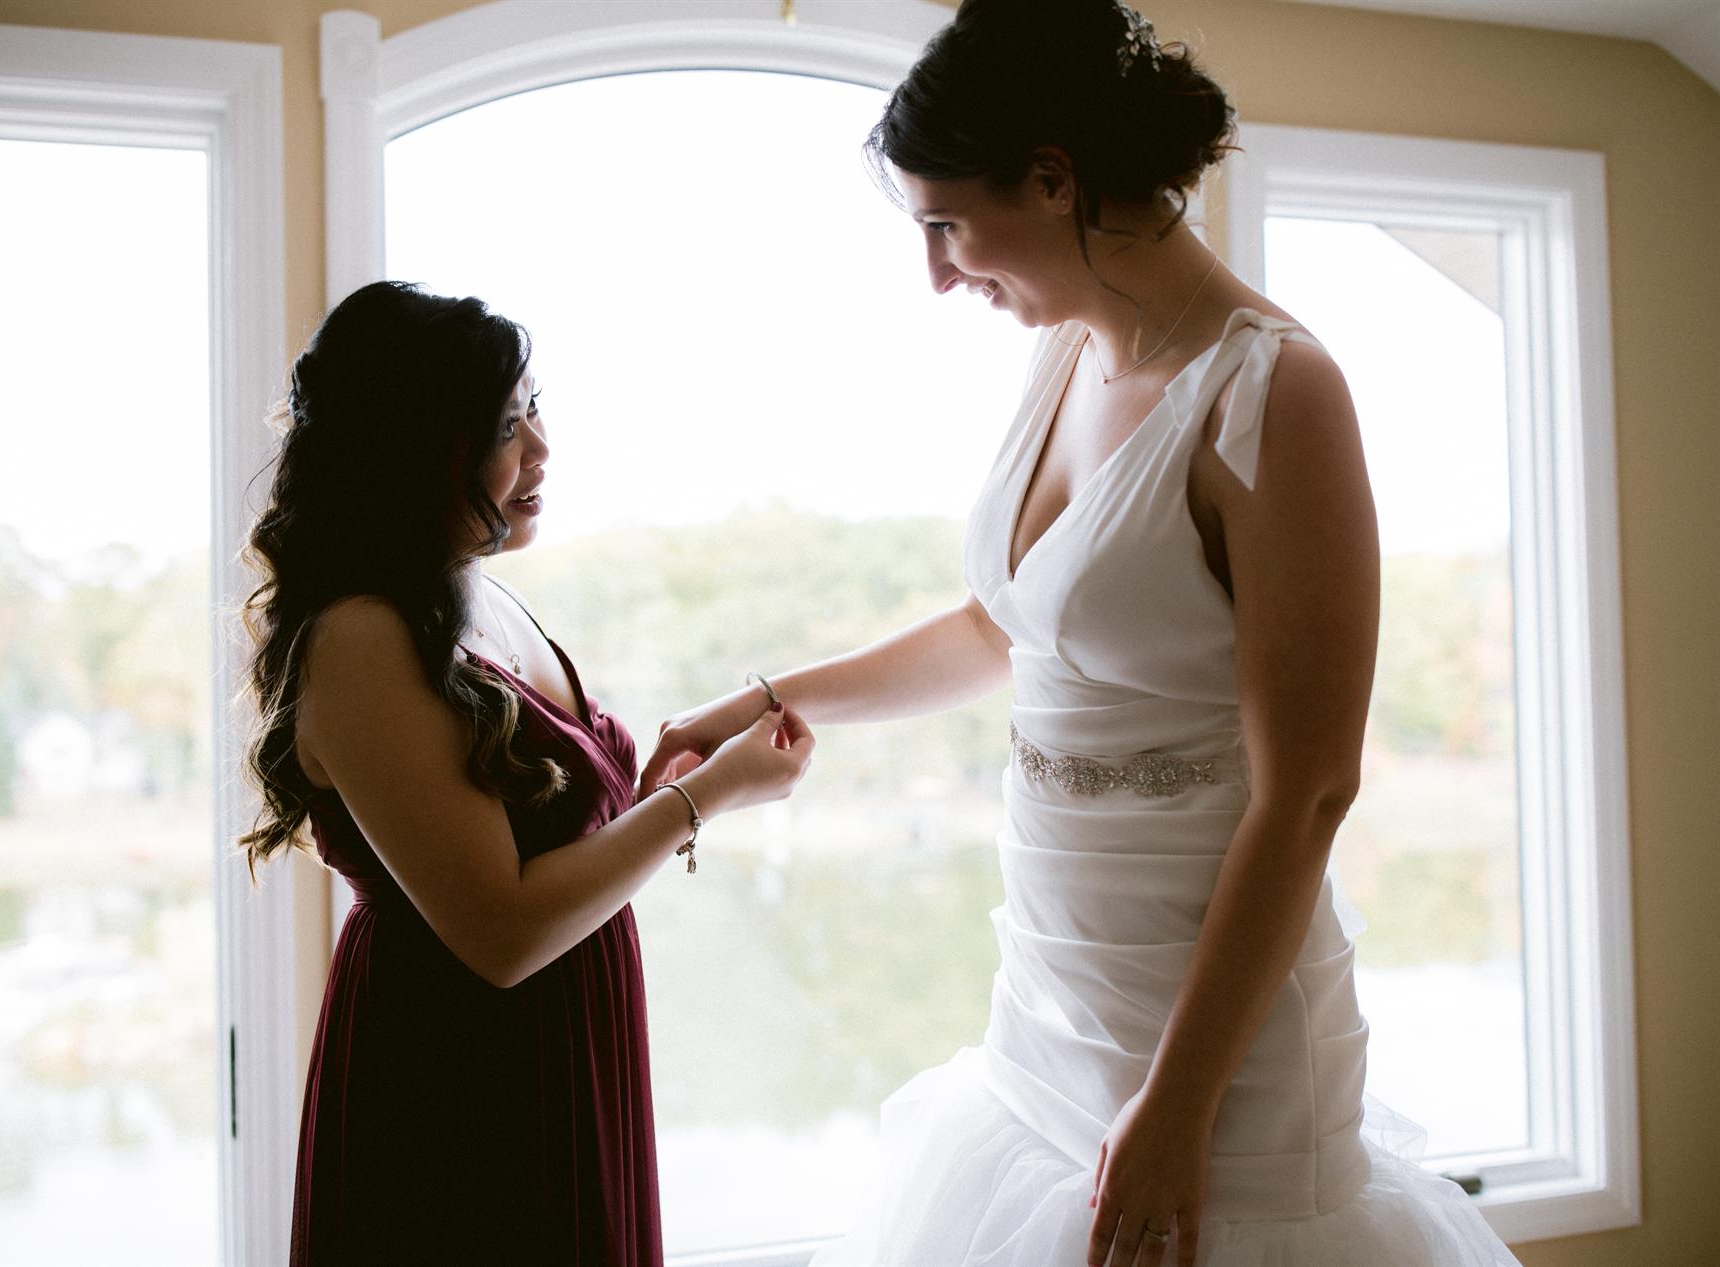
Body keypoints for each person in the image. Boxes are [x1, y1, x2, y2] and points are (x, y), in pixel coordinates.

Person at [640, 2, 1521, 1263]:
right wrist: (772, 695)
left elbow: (1311, 790)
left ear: (1052, 180)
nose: (938, 273)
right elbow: (999, 626)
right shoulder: (1061, 357)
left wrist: (1180, 1097)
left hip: (1212, 1045)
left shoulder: (1274, 389)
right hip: (1047, 1005)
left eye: (946, 224)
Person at [238, 280, 813, 1266]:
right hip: (461, 1082)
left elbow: (542, 841)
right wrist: (706, 796)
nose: (540, 449)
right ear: (417, 449)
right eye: (506, 426)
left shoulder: (473, 593)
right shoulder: (364, 635)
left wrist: (666, 781)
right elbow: (500, 930)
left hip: (564, 1044)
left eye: (534, 408)